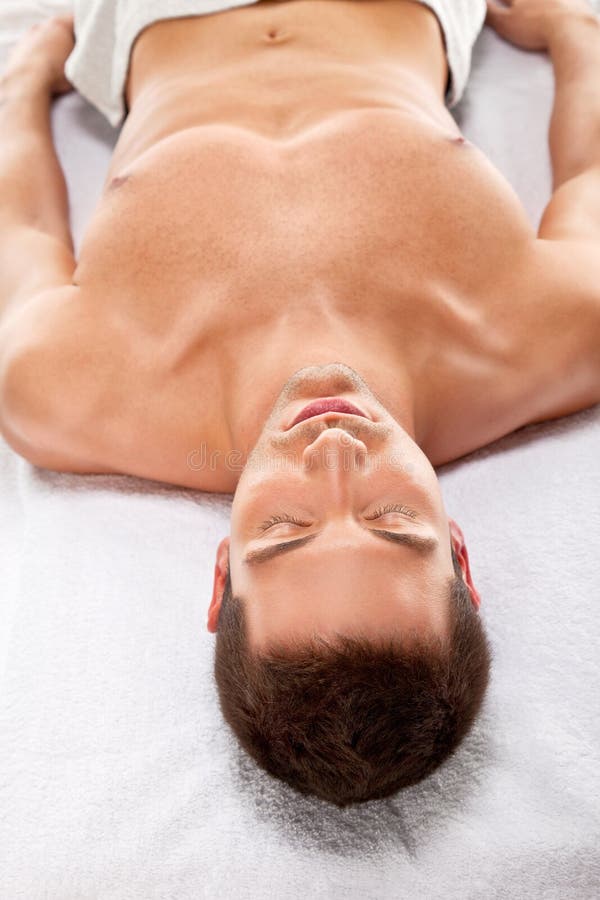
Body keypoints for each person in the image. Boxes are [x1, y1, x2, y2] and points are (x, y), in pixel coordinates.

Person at [0, 0, 598, 805]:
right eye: (393, 519)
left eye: (285, 527)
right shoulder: (540, 341)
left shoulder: (64, 392)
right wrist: (569, 31)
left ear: (222, 573)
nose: (336, 454)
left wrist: (25, 79)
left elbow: (23, 231)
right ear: (459, 555)